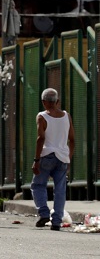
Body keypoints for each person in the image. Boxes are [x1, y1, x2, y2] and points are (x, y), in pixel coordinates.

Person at [32, 87, 75, 230]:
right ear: (57, 101)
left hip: (46, 156)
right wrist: (68, 157)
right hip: (62, 157)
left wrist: (36, 160)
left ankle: (44, 213)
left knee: (38, 185)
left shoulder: (42, 116)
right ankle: (56, 221)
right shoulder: (66, 116)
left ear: (43, 102)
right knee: (60, 190)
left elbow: (41, 138)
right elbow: (72, 140)